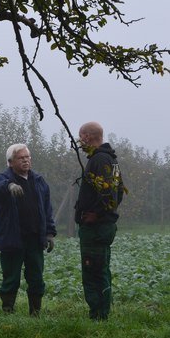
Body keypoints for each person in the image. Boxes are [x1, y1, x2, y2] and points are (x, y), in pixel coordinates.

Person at [0, 143, 56, 316]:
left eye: (28, 157)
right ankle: (7, 312)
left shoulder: (39, 181)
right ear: (10, 162)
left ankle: (35, 312)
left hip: (35, 239)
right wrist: (9, 186)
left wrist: (49, 233)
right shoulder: (2, 179)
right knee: (11, 279)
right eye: (21, 158)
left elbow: (47, 209)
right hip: (12, 240)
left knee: (36, 279)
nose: (26, 160)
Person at [75, 122, 124, 321]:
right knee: (100, 268)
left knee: (93, 270)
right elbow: (119, 191)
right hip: (103, 226)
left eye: (80, 137)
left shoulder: (100, 160)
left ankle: (98, 315)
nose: (79, 141)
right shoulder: (110, 160)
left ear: (87, 136)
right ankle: (100, 313)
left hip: (96, 228)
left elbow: (110, 193)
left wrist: (97, 214)